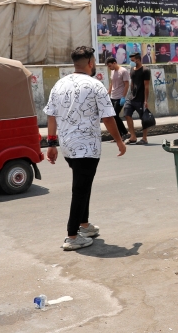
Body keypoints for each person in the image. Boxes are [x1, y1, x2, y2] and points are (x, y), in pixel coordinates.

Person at [44, 46, 127, 251]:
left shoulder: (59, 84)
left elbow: (51, 116)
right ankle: (72, 236)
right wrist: (119, 141)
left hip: (68, 147)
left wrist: (52, 144)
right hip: (87, 147)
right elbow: (108, 117)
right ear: (90, 62)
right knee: (80, 189)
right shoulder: (95, 85)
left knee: (84, 184)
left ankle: (84, 225)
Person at [124, 52, 152, 146]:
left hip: (141, 99)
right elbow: (132, 83)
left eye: (132, 60)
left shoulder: (145, 70)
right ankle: (133, 137)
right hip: (131, 98)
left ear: (138, 60)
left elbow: (146, 86)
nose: (131, 62)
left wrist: (145, 100)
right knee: (127, 114)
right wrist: (130, 94)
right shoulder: (132, 69)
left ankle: (144, 138)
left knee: (143, 118)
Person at [105, 56, 131, 141]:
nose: (109, 68)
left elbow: (126, 84)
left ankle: (125, 133)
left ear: (114, 63)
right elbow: (112, 83)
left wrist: (123, 97)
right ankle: (119, 136)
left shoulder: (123, 71)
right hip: (113, 96)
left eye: (110, 66)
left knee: (115, 115)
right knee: (112, 117)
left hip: (120, 97)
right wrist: (108, 92)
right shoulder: (113, 71)